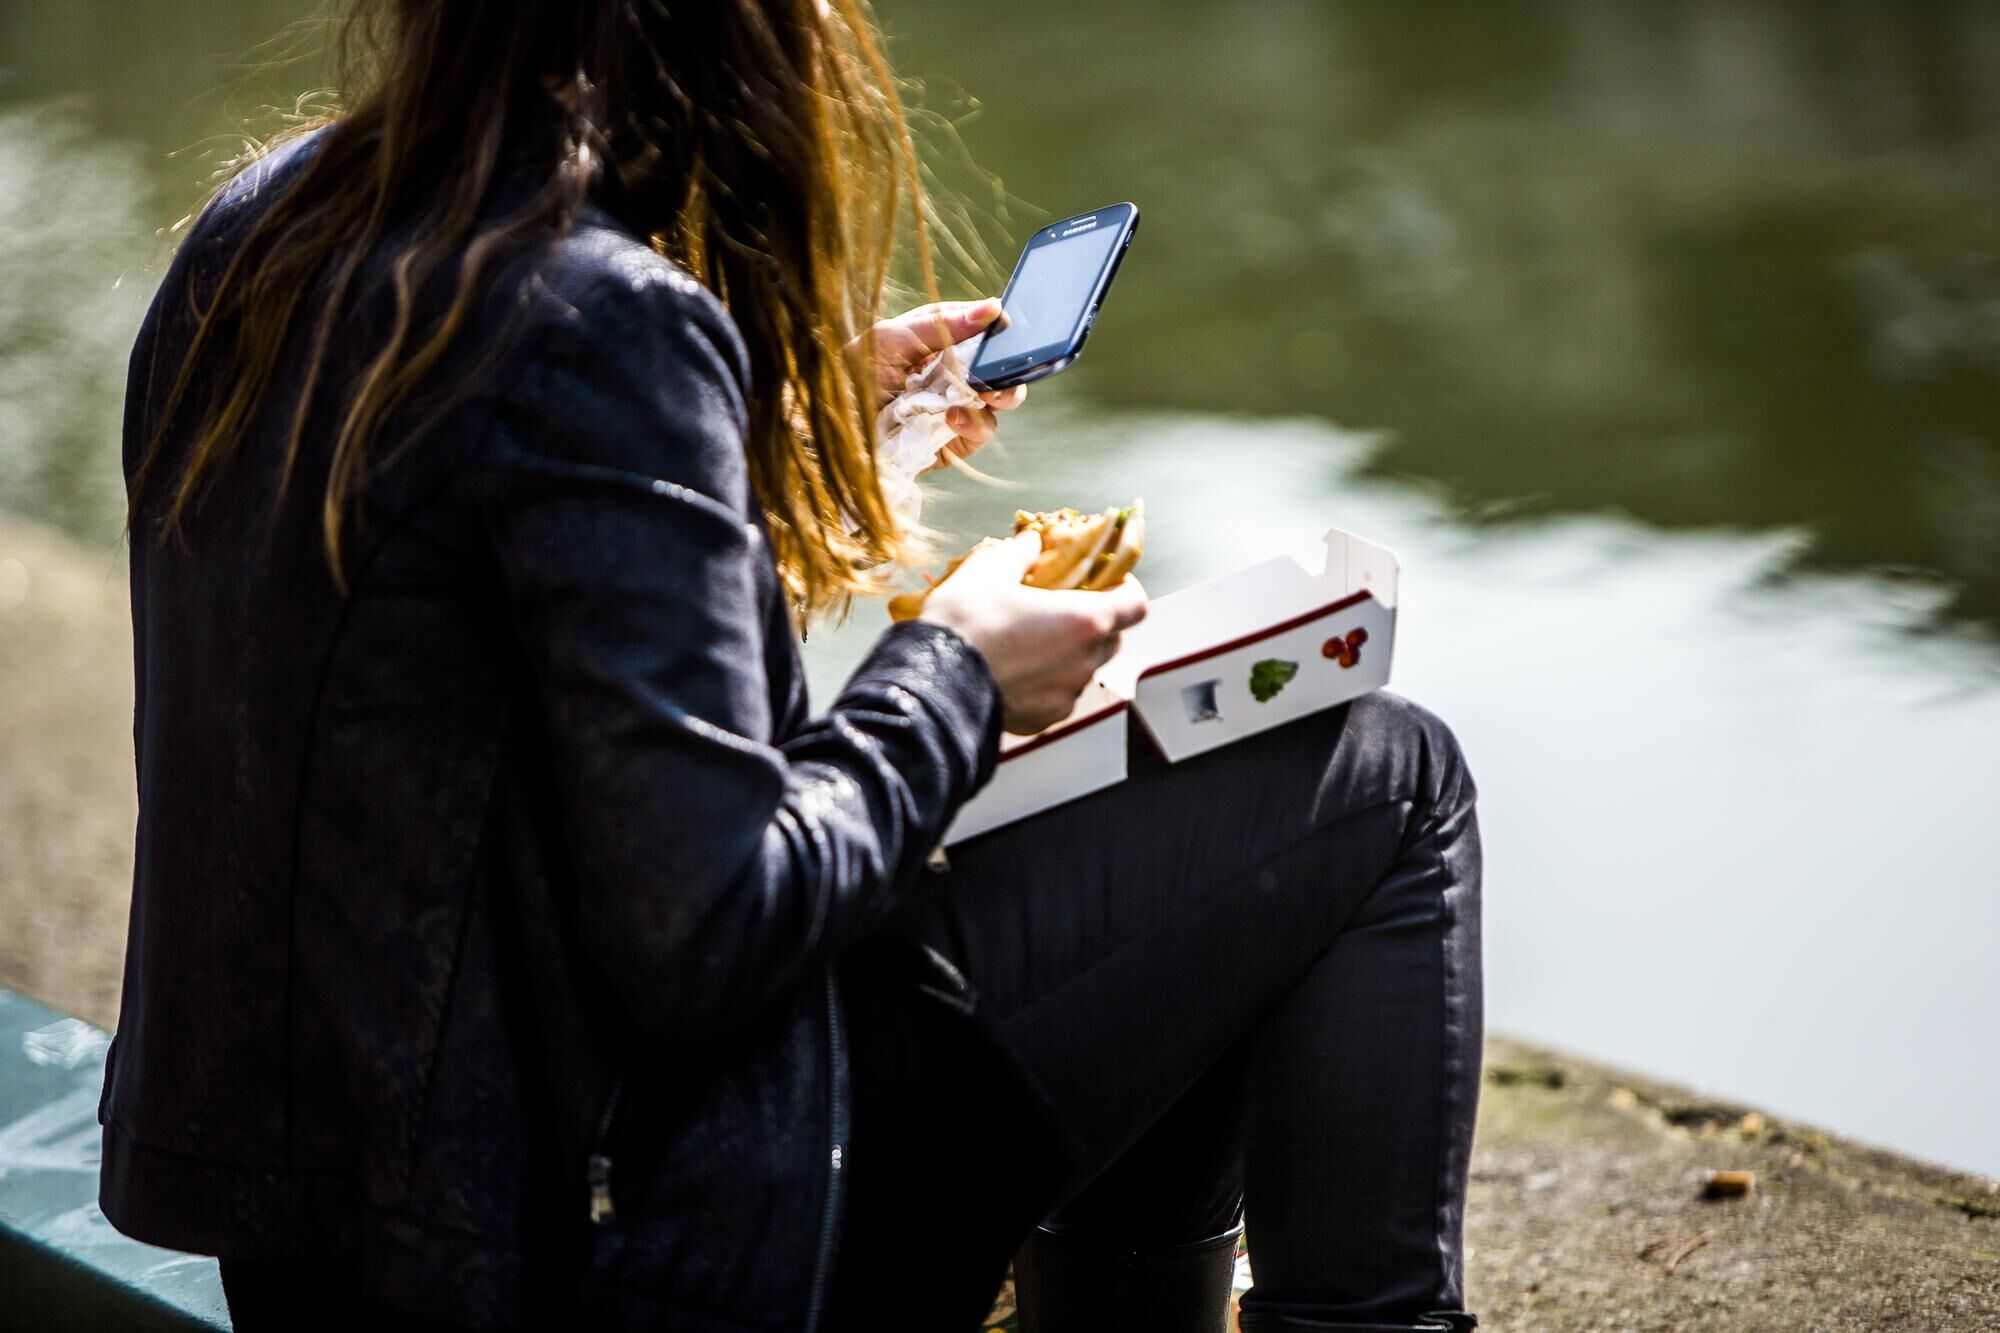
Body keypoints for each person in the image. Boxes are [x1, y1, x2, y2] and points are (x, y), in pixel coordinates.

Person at [102, 3, 1483, 1331]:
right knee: (1380, 774)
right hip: (610, 1240)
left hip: (327, 1245)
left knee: (1188, 836)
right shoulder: (601, 322)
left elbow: (466, 665)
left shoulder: (271, 221)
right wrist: (957, 674)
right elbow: (712, 931)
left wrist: (780, 438)